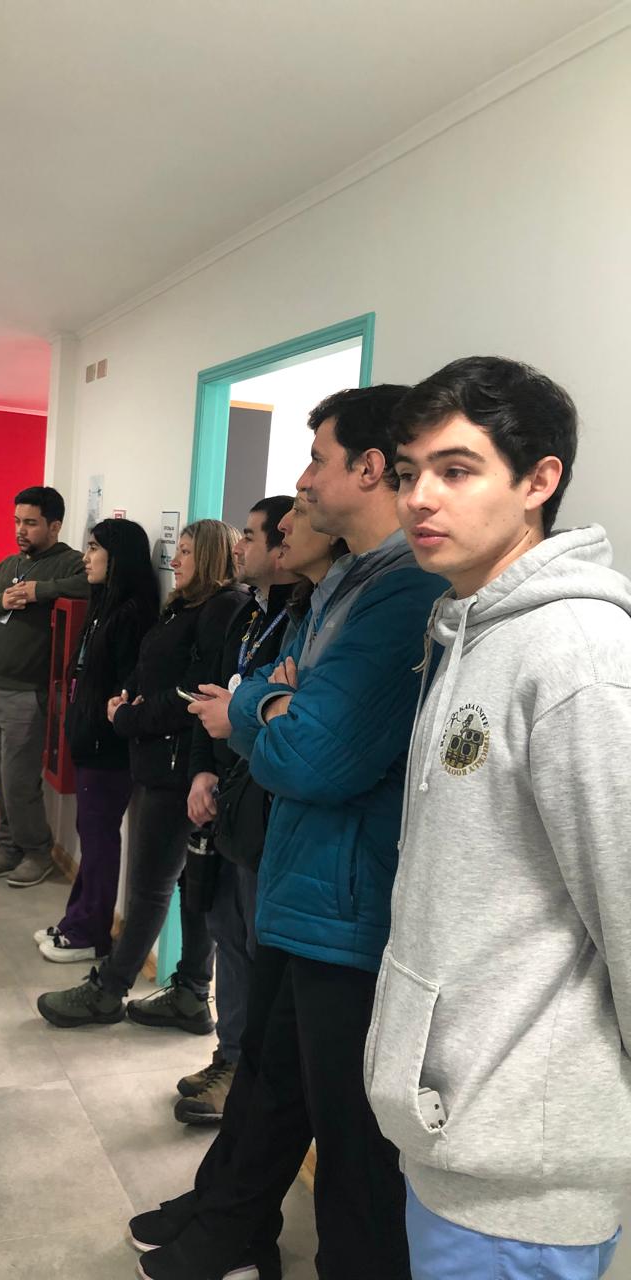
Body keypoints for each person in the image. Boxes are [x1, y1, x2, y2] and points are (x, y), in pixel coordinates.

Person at [129, 385, 445, 1280]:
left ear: (369, 469)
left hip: (350, 902)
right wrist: (276, 699)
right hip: (305, 882)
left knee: (352, 1149)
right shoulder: (347, 584)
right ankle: (231, 1224)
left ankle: (240, 1231)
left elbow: (310, 755)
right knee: (271, 1079)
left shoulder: (402, 592)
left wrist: (259, 706)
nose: (300, 483)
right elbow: (281, 692)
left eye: (316, 459)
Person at [367, 356, 629, 1280]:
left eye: (456, 469)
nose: (418, 498)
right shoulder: (473, 631)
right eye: (409, 473)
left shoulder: (580, 656)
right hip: (458, 1133)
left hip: (527, 1174)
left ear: (538, 481)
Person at [36, 518, 246, 1031]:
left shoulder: (222, 609)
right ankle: (191, 992)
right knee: (189, 884)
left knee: (152, 887)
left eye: (187, 552)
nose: (175, 560)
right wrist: (126, 696)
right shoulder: (184, 607)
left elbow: (196, 693)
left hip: (178, 769)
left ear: (211, 557)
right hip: (161, 761)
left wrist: (130, 717)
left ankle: (109, 990)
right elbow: (154, 670)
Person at [175, 495, 302, 1125]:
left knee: (256, 941)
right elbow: (210, 695)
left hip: (266, 801)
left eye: (251, 535)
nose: (240, 546)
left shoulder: (302, 619)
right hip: (227, 792)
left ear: (283, 547)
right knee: (225, 929)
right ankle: (228, 1057)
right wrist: (202, 768)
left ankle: (249, 1076)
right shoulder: (248, 615)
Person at [35, 518, 159, 963]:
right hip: (90, 739)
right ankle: (77, 918)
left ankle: (91, 933)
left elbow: (125, 685)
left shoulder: (133, 613)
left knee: (99, 838)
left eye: (93, 548)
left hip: (109, 747)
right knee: (90, 835)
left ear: (117, 556)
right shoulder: (104, 603)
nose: (85, 557)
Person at [0, 486, 88, 887]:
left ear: (54, 525)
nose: (20, 530)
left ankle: (37, 851)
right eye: (17, 521)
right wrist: (3, 601)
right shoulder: (9, 565)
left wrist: (40, 592)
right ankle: (9, 846)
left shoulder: (70, 563)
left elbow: (90, 585)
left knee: (19, 782)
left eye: (30, 523)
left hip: (27, 692)